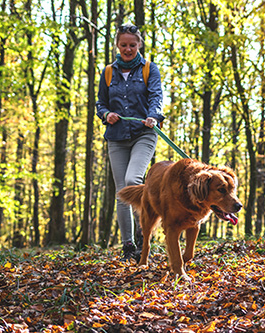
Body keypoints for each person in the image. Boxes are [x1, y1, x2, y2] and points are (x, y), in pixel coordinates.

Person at [96, 24, 164, 261]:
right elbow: (100, 103)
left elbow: (156, 96)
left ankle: (142, 231)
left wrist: (153, 115)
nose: (127, 49)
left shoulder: (149, 69)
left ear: (139, 45)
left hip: (143, 134)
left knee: (132, 180)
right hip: (116, 137)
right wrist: (106, 115)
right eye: (123, 45)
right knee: (121, 192)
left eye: (132, 45)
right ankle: (128, 247)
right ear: (117, 45)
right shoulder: (107, 73)